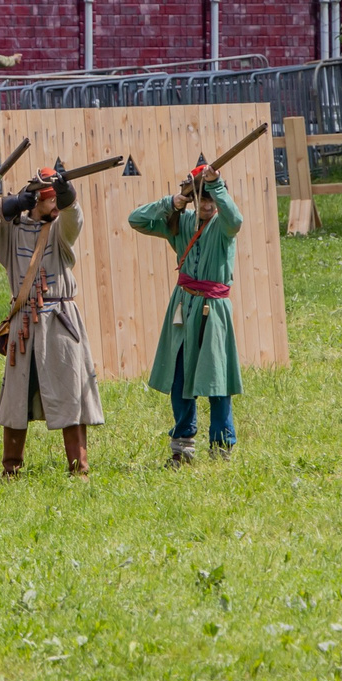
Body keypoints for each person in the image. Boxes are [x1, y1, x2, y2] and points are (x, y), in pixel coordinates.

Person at [0, 167, 103, 476]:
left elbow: (73, 220)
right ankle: (11, 469)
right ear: (36, 200)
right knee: (16, 400)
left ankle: (78, 469)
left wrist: (67, 196)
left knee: (70, 396)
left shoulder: (60, 231)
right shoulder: (10, 232)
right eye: (51, 199)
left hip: (59, 323)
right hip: (23, 323)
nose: (56, 206)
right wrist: (10, 204)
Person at [129, 162, 243, 464]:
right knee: (179, 379)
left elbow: (235, 218)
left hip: (213, 310)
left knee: (217, 381)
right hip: (182, 307)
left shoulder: (222, 226)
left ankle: (222, 446)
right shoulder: (182, 222)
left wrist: (216, 184)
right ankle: (182, 448)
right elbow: (136, 220)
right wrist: (172, 203)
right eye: (201, 197)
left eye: (211, 199)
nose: (206, 204)